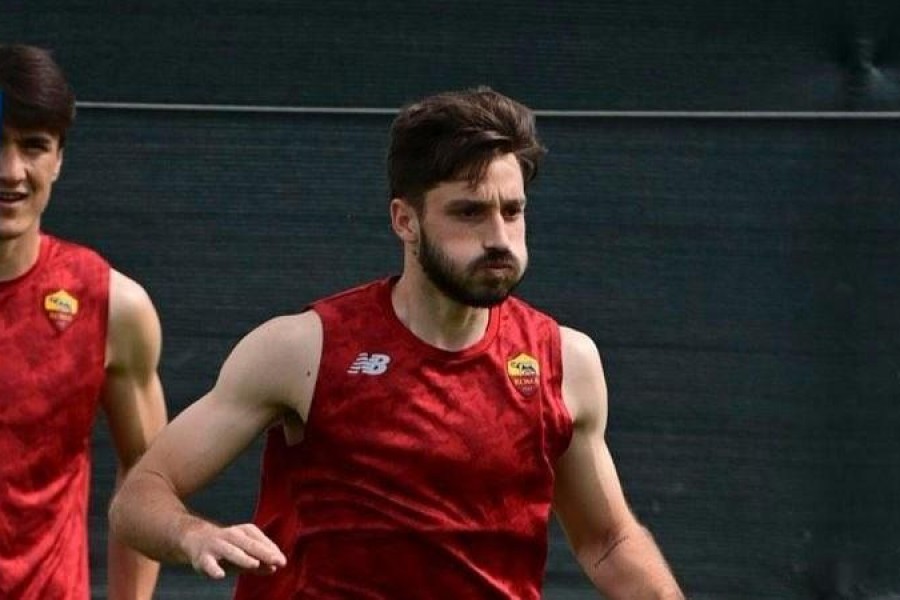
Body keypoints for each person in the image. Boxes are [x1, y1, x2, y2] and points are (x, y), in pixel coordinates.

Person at [109, 86, 684, 599]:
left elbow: (607, 542)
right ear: (404, 221)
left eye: (513, 211)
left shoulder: (565, 362)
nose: (500, 238)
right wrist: (194, 534)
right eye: (470, 213)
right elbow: (141, 495)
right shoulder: (303, 350)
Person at [0, 44, 167, 599]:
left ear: (59, 159)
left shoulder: (114, 307)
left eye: (33, 146)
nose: (11, 171)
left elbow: (149, 478)